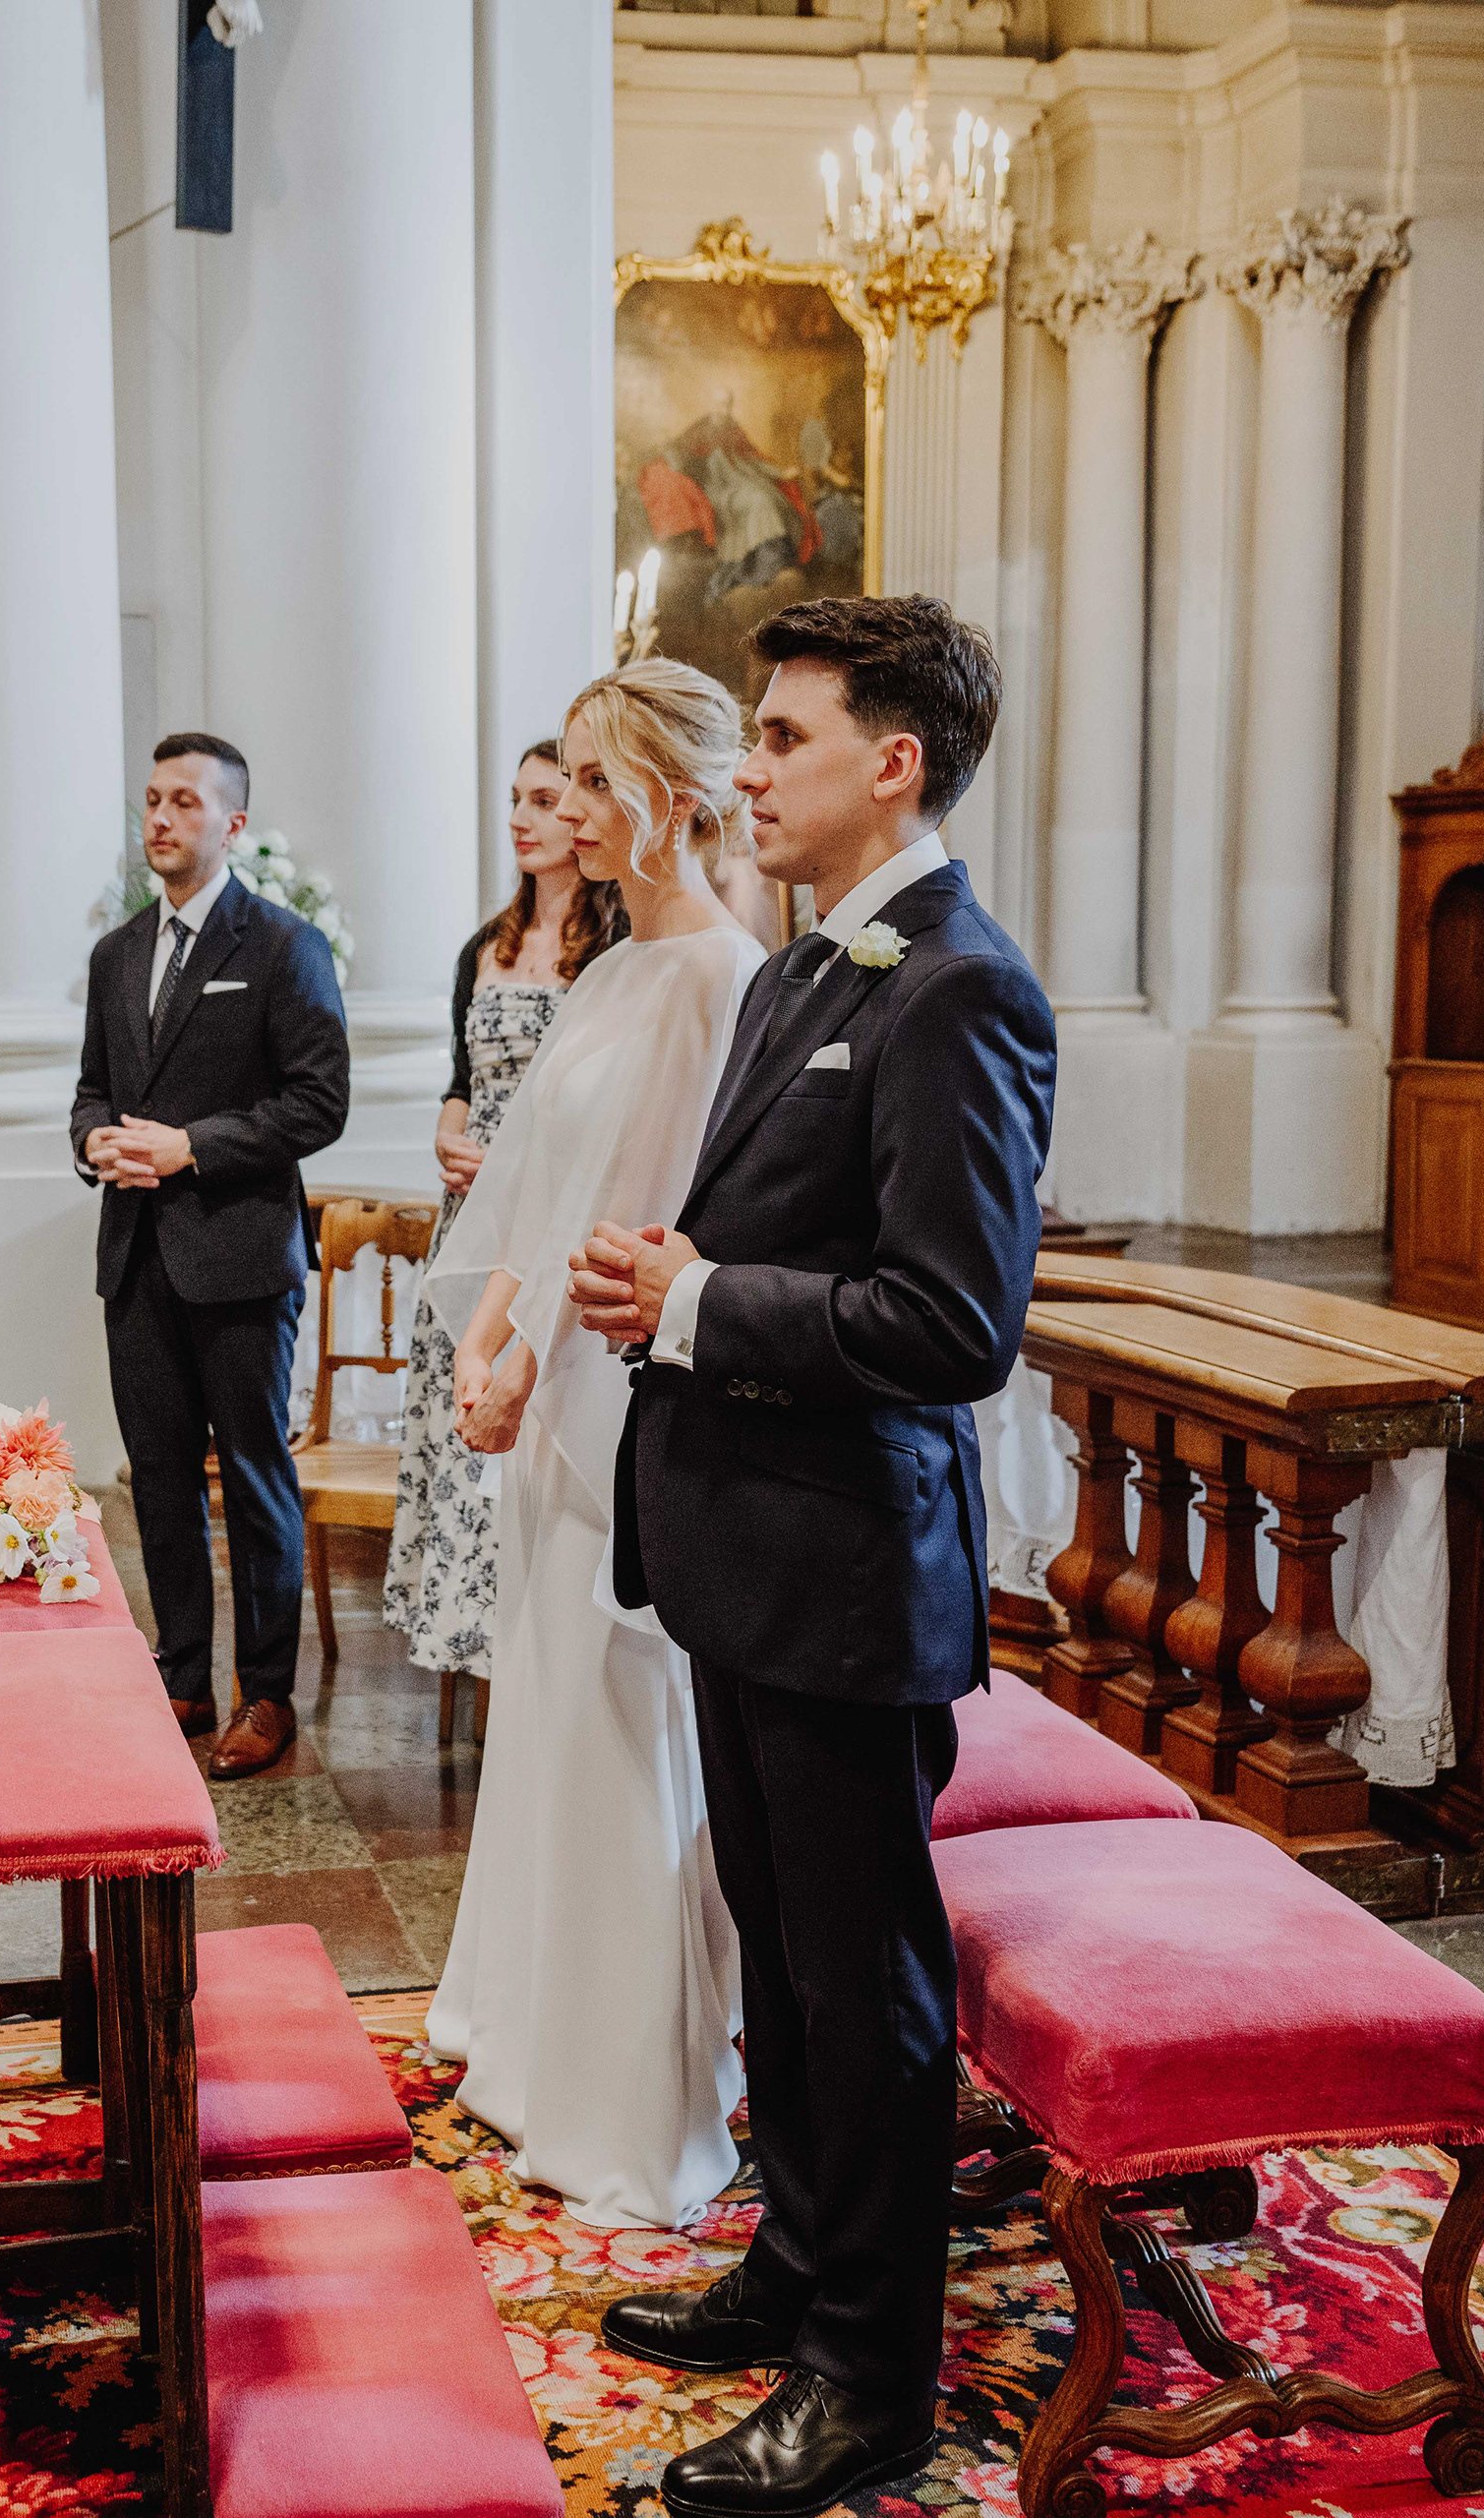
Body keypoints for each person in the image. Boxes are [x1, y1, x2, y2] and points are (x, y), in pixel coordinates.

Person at [572, 596, 1054, 2518]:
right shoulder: (796, 971)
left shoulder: (961, 991)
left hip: (852, 1571)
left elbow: (953, 1321)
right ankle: (797, 2261)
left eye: (782, 736)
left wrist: (696, 1304)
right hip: (746, 1553)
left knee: (865, 1987)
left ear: (894, 763)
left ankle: (872, 2377)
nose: (750, 770)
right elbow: (782, 1241)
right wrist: (677, 1278)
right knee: (777, 1946)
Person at [417, 663, 768, 2231]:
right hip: (542, 1381)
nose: (567, 806)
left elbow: (642, 1216)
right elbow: (533, 1185)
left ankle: (628, 2098)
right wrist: (484, 1338)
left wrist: (532, 1359)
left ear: (671, 803)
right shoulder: (614, 969)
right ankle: (525, 2034)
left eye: (594, 781)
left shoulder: (719, 981)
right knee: (548, 1710)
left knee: (625, 1723)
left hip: (622, 1395)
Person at [70, 735, 352, 1779]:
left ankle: (265, 1693)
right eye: (152, 798)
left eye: (184, 801)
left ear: (232, 824)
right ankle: (182, 1673)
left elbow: (318, 1103)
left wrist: (191, 1146)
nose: (160, 816)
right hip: (136, 1256)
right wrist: (95, 1142)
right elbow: (93, 1090)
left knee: (253, 1474)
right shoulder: (116, 954)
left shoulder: (283, 946)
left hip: (239, 1257)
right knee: (156, 1477)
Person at [380, 741, 624, 1694]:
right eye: (516, 798)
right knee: (459, 1416)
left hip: (547, 1215)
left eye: (546, 798)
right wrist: (449, 1134)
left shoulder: (613, 950)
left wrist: (520, 1164)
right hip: (468, 1219)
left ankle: (529, 1658)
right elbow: (461, 1079)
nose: (522, 817)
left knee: (528, 1423)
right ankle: (465, 1646)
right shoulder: (484, 946)